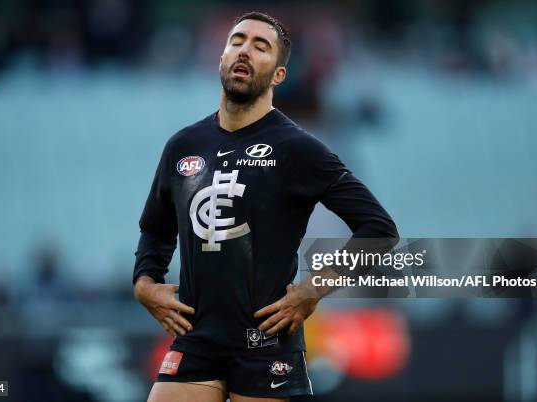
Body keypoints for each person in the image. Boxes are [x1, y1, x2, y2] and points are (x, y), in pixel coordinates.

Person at [133, 11, 398, 402]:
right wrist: (144, 284)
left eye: (261, 47)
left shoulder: (299, 148)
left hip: (266, 344)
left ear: (277, 75)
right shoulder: (184, 146)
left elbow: (379, 230)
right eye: (236, 42)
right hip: (196, 337)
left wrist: (313, 290)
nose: (244, 51)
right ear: (221, 59)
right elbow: (156, 228)